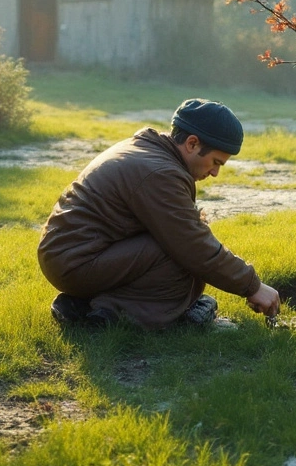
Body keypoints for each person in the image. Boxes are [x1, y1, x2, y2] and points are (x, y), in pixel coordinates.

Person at [37, 98, 281, 329]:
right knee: (180, 258)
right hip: (76, 263)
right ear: (192, 143)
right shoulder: (159, 173)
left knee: (184, 245)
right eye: (216, 162)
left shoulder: (148, 151)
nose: (215, 173)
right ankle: (105, 314)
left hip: (72, 256)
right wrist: (252, 286)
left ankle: (84, 304)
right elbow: (193, 246)